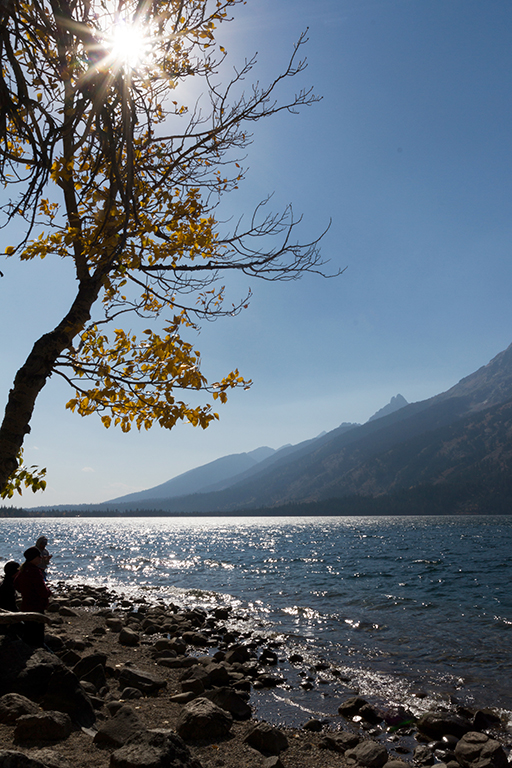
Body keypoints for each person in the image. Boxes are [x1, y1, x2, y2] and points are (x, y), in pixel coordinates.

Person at [13, 547, 51, 647]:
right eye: (39, 556)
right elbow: (42, 590)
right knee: (37, 635)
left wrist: (25, 592)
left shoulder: (23, 569)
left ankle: (27, 650)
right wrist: (48, 593)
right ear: (33, 557)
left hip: (26, 604)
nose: (40, 558)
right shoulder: (35, 571)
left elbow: (16, 584)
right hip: (37, 606)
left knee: (29, 632)